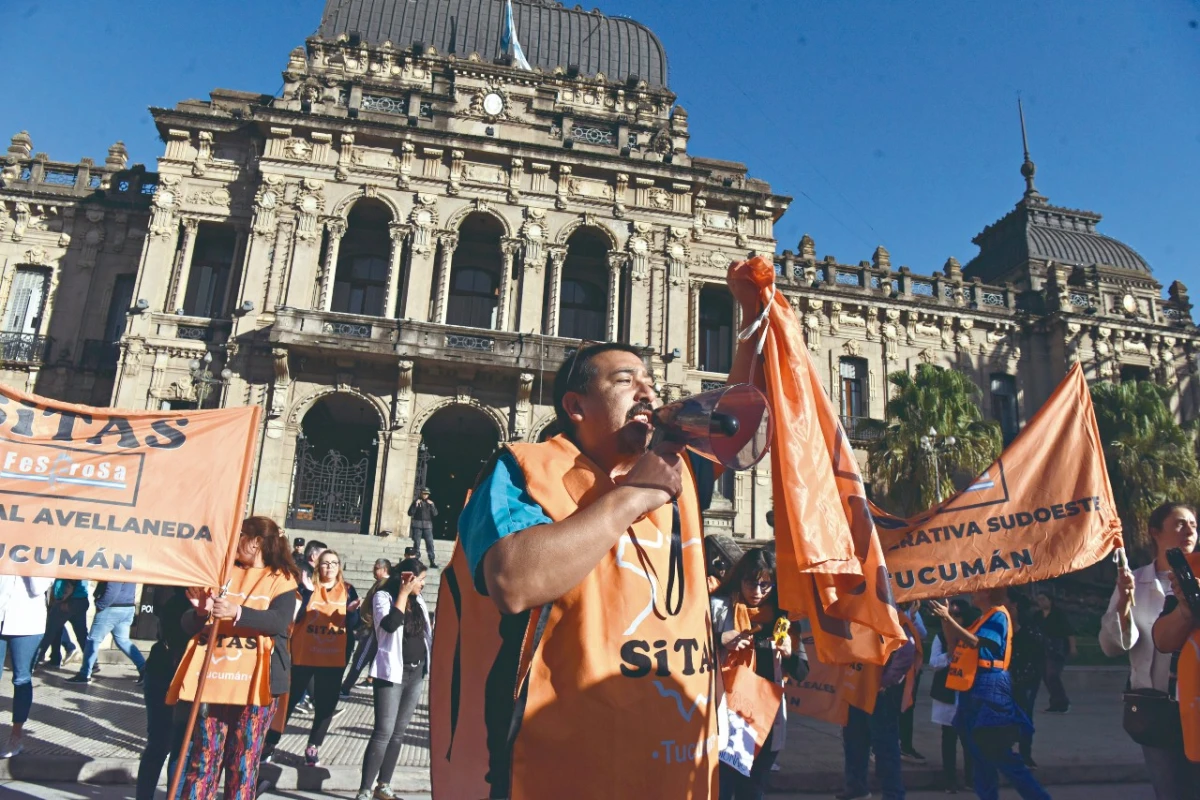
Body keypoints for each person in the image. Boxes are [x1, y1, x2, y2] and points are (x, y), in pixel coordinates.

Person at [450, 336, 749, 798]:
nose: (648, 393)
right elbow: (512, 581)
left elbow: (743, 416)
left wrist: (754, 326)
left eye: (651, 383)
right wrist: (632, 497)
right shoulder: (522, 470)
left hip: (674, 769)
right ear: (576, 405)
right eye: (626, 381)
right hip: (563, 771)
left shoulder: (678, 474)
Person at [168, 516, 300, 799]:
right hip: (215, 679)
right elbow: (189, 625)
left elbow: (278, 621)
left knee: (243, 761)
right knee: (203, 757)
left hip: (256, 684)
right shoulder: (222, 573)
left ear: (256, 541)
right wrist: (201, 612)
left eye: (239, 535)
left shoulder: (283, 579)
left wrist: (237, 612)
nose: (233, 541)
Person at [1107, 502, 1199, 799]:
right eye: (1180, 523)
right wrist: (1123, 605)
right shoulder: (1134, 581)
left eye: (1194, 525)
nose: (1189, 530)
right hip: (1159, 708)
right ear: (1155, 532)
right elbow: (1113, 646)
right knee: (1171, 791)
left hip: (1196, 704)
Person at [928, 589, 1051, 800]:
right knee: (979, 756)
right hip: (972, 689)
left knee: (999, 752)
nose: (973, 592)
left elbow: (976, 642)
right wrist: (944, 619)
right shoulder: (982, 619)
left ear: (989, 594)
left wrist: (948, 618)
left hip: (990, 689)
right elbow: (954, 644)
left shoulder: (998, 615)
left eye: (979, 589)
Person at [710, 548, 804, 800]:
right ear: (739, 578)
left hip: (766, 718)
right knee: (722, 788)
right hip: (726, 714)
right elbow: (690, 647)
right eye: (752, 583)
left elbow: (802, 671)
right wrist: (720, 639)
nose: (758, 592)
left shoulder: (784, 618)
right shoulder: (718, 607)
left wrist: (789, 653)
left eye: (766, 585)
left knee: (752, 791)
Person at [356, 558, 431, 800]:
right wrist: (402, 594)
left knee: (399, 733)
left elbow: (425, 633)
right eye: (420, 580)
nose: (423, 585)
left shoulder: (418, 600)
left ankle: (383, 785)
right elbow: (389, 625)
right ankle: (365, 789)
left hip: (415, 673)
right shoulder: (383, 597)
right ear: (407, 578)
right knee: (383, 732)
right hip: (391, 673)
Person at [284, 549, 360, 766]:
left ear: (339, 567)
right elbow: (295, 618)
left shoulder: (347, 590)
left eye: (334, 563)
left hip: (333, 657)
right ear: (318, 566)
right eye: (326, 563)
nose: (330, 567)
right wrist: (306, 594)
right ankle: (270, 743)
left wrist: (353, 612)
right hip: (304, 654)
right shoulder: (307, 586)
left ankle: (313, 746)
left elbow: (354, 625)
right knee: (290, 700)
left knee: (326, 704)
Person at [838, 616, 915, 800]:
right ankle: (856, 787)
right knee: (853, 740)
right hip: (857, 688)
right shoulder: (861, 614)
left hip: (880, 695)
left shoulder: (893, 617)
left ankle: (892, 793)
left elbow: (907, 649)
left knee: (884, 747)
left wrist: (885, 681)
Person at [135, 585, 192, 800]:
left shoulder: (174, 598)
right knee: (171, 745)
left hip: (165, 672)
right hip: (168, 674)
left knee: (167, 745)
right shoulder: (179, 602)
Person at [0, 575, 54, 758]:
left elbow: (38, 587)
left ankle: (16, 736)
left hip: (26, 623)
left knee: (22, 678)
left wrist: (25, 564)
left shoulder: (44, 553)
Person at [928, 598, 973, 793]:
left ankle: (971, 779)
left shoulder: (970, 636)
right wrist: (950, 655)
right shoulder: (941, 637)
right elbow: (934, 663)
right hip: (946, 695)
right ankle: (950, 781)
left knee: (969, 741)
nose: (954, 618)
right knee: (948, 740)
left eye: (957, 615)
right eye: (951, 614)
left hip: (966, 693)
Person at [68, 580, 146, 685]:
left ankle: (84, 674)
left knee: (93, 640)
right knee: (123, 641)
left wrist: (100, 604)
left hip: (112, 607)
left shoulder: (117, 567)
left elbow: (113, 589)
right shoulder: (129, 566)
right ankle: (145, 670)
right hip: (127, 606)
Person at [1006, 591, 1045, 767]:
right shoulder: (1002, 623)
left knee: (1024, 714)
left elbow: (1035, 650)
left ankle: (1025, 753)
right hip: (1006, 676)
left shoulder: (1029, 627)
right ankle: (1006, 749)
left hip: (1026, 677)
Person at [342, 558, 391, 696]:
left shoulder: (384, 584)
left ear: (384, 569)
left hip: (372, 629)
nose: (373, 571)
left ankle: (346, 687)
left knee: (360, 658)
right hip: (369, 626)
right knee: (362, 657)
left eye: (376, 568)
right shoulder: (380, 583)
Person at [35, 578, 89, 668]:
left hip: (67, 600)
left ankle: (33, 662)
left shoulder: (66, 565)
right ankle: (92, 663)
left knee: (50, 632)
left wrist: (60, 599)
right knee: (81, 634)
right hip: (80, 599)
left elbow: (65, 582)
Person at [899, 601, 928, 763]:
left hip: (910, 669)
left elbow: (922, 633)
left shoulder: (911, 612)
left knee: (907, 708)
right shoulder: (887, 609)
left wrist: (913, 616)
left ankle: (905, 746)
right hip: (892, 669)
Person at [1035, 592, 1075, 713]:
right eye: (1039, 600)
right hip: (1042, 649)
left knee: (1052, 675)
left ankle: (1063, 702)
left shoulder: (1058, 615)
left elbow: (1069, 632)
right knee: (1046, 677)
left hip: (1057, 648)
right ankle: (1055, 702)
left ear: (1050, 600)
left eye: (1043, 599)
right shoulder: (1037, 616)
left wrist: (1073, 647)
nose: (1041, 602)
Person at [407, 489, 439, 567]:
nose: (425, 495)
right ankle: (416, 560)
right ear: (421, 494)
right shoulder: (416, 502)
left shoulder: (430, 503)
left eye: (427, 494)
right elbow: (410, 513)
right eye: (424, 494)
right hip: (417, 525)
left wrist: (432, 505)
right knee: (416, 543)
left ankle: (432, 560)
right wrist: (415, 505)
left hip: (427, 526)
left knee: (430, 544)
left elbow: (435, 514)